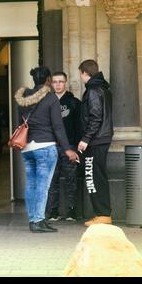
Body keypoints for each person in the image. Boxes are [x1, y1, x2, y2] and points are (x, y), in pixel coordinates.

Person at [14, 66, 78, 233]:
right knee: (42, 186)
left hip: (27, 147)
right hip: (45, 146)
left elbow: (18, 124)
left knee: (32, 185)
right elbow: (58, 127)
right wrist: (67, 149)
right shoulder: (50, 99)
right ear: (48, 80)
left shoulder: (22, 99)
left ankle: (34, 219)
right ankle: (38, 221)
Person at [77, 60, 114, 226]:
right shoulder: (104, 89)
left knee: (92, 177)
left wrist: (85, 139)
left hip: (95, 140)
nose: (81, 77)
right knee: (99, 176)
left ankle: (102, 214)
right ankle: (103, 213)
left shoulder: (92, 91)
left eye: (81, 74)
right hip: (102, 138)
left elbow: (95, 117)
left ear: (85, 73)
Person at [46, 71, 81, 222]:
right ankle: (53, 211)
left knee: (71, 179)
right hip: (51, 147)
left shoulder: (74, 103)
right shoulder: (47, 102)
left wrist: (77, 146)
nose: (58, 84)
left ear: (65, 83)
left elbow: (79, 126)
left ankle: (72, 211)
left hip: (70, 147)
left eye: (61, 81)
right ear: (51, 84)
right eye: (55, 82)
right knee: (52, 180)